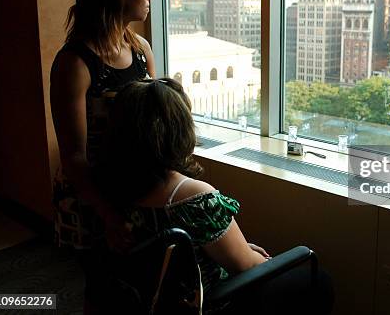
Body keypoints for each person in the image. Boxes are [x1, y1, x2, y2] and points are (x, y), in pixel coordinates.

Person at [96, 78, 334, 314]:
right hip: (211, 302)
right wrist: (262, 261)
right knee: (318, 280)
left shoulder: (110, 189)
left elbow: (168, 250)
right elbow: (247, 266)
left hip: (155, 300)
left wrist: (235, 247)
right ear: (178, 130)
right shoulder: (192, 197)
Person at [49, 0, 156, 311]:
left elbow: (157, 121)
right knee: (102, 289)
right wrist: (109, 216)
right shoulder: (74, 64)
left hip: (133, 189)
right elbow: (74, 156)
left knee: (140, 288)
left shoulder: (140, 50)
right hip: (92, 199)